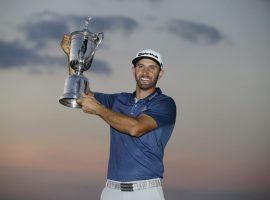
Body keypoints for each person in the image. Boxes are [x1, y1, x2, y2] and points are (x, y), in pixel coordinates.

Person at [61, 36, 177, 200]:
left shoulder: (165, 103)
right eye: (140, 66)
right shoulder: (119, 100)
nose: (145, 72)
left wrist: (99, 109)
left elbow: (136, 128)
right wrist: (72, 57)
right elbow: (81, 93)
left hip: (146, 191)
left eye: (152, 67)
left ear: (161, 73)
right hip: (111, 191)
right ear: (133, 70)